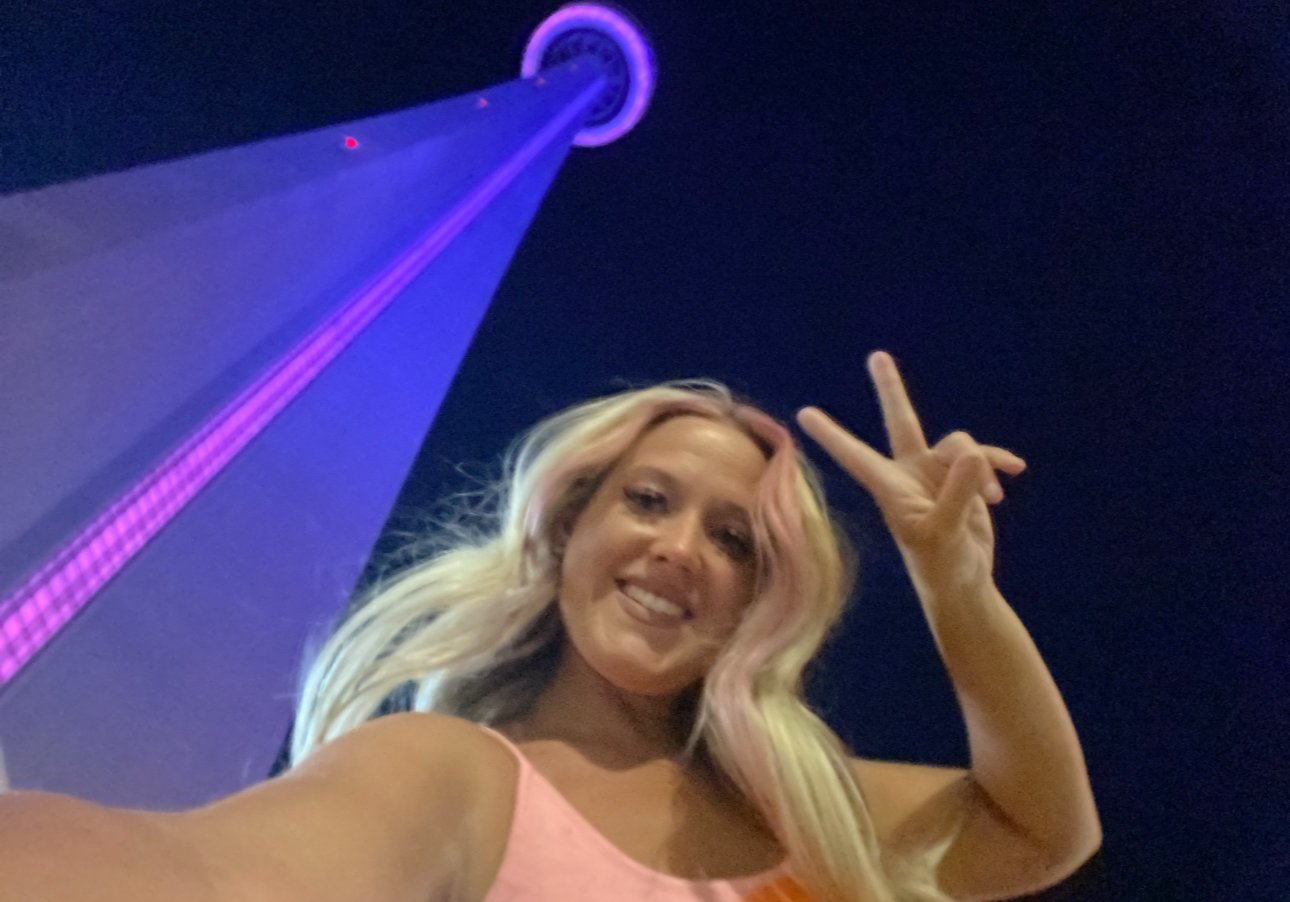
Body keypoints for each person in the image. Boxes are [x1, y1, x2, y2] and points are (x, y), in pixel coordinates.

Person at [0, 351, 1101, 902]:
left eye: (734, 538)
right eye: (651, 500)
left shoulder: (805, 814)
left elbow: (1042, 830)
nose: (681, 549)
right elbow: (201, 875)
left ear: (760, 601)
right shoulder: (449, 774)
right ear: (570, 527)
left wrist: (960, 595)